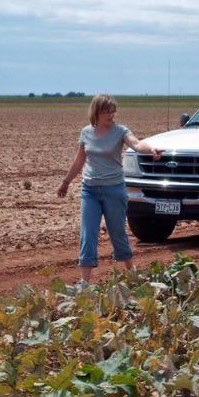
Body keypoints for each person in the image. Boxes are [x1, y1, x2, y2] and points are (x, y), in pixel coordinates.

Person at [56, 94, 162, 284]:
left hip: (114, 190)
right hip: (90, 190)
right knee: (88, 234)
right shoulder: (86, 133)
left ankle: (131, 271)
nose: (111, 115)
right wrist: (66, 182)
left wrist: (151, 149)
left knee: (117, 233)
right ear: (97, 111)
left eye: (113, 111)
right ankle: (85, 283)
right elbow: (79, 160)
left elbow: (137, 144)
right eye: (107, 111)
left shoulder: (120, 131)